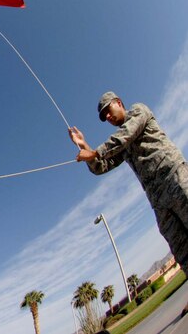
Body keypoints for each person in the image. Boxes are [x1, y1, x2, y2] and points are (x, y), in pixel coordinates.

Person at [69, 92, 188, 312]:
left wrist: (95, 151)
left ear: (119, 103)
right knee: (180, 246)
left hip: (175, 177)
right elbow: (101, 166)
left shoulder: (138, 111)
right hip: (157, 199)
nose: (109, 117)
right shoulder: (120, 145)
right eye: (104, 117)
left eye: (108, 111)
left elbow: (124, 136)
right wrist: (83, 145)